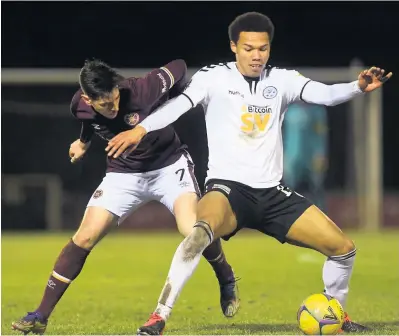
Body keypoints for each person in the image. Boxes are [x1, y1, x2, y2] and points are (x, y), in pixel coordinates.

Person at [105, 12, 392, 335]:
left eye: (263, 48)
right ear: (234, 46)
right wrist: (140, 129)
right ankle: (159, 316)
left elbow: (324, 95)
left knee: (344, 249)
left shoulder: (283, 80)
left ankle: (336, 316)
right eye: (249, 48)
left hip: (272, 194)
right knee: (198, 233)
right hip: (228, 191)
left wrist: (358, 87)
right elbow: (179, 106)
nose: (257, 55)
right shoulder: (212, 78)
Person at [11, 59, 239, 335]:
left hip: (169, 167)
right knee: (84, 237)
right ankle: (40, 316)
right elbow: (88, 122)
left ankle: (224, 275)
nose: (114, 107)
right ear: (87, 99)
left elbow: (179, 66)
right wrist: (83, 142)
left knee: (192, 230)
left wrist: (176, 101)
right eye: (105, 105)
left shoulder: (143, 89)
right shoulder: (79, 105)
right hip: (123, 175)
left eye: (115, 99)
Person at [283, 102, 329, 211]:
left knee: (316, 189)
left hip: (312, 157)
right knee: (288, 190)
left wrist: (321, 153)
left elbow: (321, 134)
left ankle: (321, 219)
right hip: (291, 156)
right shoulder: (289, 111)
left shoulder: (318, 111)